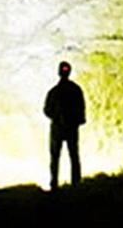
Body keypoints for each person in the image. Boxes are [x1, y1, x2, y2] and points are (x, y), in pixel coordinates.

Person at [43, 60, 86, 191]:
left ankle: (54, 184)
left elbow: (47, 110)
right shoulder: (76, 90)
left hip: (58, 128)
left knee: (55, 156)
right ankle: (76, 183)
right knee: (73, 155)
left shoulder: (54, 91)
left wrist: (57, 118)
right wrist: (75, 121)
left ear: (59, 72)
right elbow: (81, 109)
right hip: (71, 128)